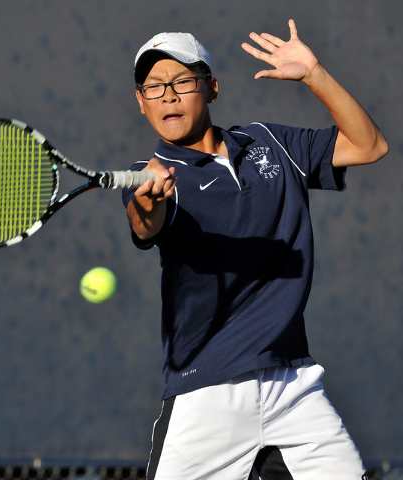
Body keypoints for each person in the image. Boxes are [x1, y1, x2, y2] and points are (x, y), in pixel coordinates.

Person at [121, 20, 388, 480]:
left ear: (211, 88)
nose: (168, 94)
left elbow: (369, 146)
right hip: (207, 394)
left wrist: (314, 74)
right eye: (153, 86)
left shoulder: (271, 143)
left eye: (182, 80)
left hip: (293, 386)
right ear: (141, 103)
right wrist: (149, 197)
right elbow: (146, 225)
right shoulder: (149, 175)